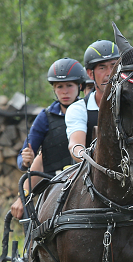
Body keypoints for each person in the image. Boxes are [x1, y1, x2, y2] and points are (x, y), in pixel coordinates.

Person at [10, 57, 88, 218]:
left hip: (86, 186)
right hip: (53, 189)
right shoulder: (45, 117)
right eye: (59, 86)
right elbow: (23, 158)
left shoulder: (89, 112)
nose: (65, 91)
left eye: (69, 86)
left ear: (79, 86)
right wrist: (25, 159)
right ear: (53, 89)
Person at [65, 40, 120, 162]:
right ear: (90, 74)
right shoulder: (78, 109)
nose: (110, 73)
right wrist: (86, 155)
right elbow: (76, 145)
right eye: (102, 67)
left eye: (114, 66)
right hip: (90, 174)